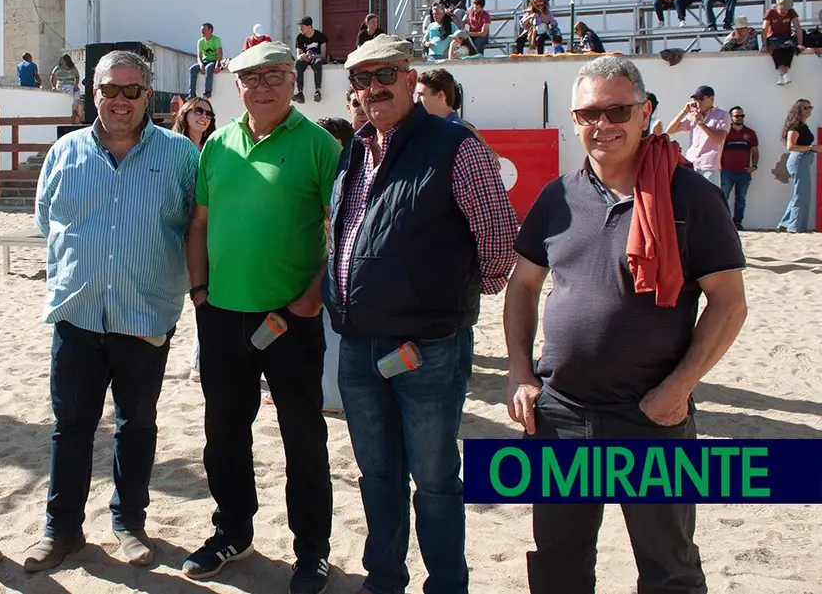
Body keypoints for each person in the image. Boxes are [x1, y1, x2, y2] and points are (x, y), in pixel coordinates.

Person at [504, 55, 747, 594]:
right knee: (558, 563)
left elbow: (729, 304)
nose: (602, 124)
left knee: (669, 567)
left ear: (646, 113)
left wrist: (678, 387)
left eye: (617, 110)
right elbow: (522, 286)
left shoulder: (693, 198)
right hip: (562, 414)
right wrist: (521, 371)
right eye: (589, 113)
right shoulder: (557, 197)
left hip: (651, 415)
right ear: (573, 120)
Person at [330, 35, 517, 594]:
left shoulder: (455, 145)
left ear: (411, 80)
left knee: (434, 480)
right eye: (361, 80)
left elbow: (499, 238)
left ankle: (446, 585)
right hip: (358, 344)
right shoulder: (357, 147)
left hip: (427, 349)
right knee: (377, 476)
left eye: (384, 75)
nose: (372, 88)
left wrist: (449, 302)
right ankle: (383, 578)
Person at [27, 50, 199, 572]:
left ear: (149, 95)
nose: (120, 101)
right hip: (77, 318)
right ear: (91, 94)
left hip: (145, 319)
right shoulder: (64, 153)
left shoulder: (180, 155)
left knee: (136, 425)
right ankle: (63, 529)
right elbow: (46, 222)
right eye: (110, 90)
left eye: (132, 91)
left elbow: (197, 227)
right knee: (71, 427)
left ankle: (128, 521)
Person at [183, 41, 339, 594]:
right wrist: (200, 292)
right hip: (222, 314)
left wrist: (310, 299)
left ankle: (312, 552)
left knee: (302, 436)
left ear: (294, 80)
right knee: (224, 433)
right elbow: (199, 225)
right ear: (238, 85)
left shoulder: (320, 145)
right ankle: (233, 531)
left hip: (291, 319)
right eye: (253, 78)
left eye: (276, 75)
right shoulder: (217, 144)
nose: (265, 86)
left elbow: (341, 229)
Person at [171, 95, 217, 384]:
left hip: (206, 232)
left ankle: (200, 360)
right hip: (179, 232)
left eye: (209, 113)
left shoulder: (214, 149)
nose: (203, 116)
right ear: (185, 114)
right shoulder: (174, 148)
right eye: (198, 110)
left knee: (206, 296)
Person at [665, 85, 730, 187]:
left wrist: (700, 123)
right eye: (695, 99)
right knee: (690, 200)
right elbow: (670, 130)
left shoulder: (722, 115)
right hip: (691, 164)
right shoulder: (693, 115)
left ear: (711, 98)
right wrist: (684, 112)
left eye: (701, 98)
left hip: (709, 167)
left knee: (710, 201)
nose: (698, 102)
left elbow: (719, 139)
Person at [777, 99, 817, 233]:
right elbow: (791, 146)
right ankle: (795, 227)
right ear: (798, 109)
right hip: (799, 159)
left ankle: (785, 223)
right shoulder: (795, 127)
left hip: (803, 160)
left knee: (799, 193)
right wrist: (813, 147)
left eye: (810, 107)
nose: (808, 110)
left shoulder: (803, 126)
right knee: (801, 194)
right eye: (805, 108)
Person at [720, 106, 758, 230]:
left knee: (741, 200)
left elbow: (755, 151)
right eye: (737, 116)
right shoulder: (725, 132)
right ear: (731, 118)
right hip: (726, 171)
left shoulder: (750, 133)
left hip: (743, 172)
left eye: (742, 115)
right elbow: (718, 149)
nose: (740, 118)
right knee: (723, 198)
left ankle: (737, 223)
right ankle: (724, 223)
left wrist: (754, 166)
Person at [763, 0, 803, 85]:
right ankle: (784, 74)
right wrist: (764, 45)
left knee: (790, 48)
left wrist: (800, 43)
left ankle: (783, 75)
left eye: (786, 9)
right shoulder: (770, 13)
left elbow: (798, 28)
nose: (784, 11)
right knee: (776, 50)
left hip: (786, 38)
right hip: (773, 38)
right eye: (782, 9)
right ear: (777, 6)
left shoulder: (791, 12)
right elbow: (764, 30)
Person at [294, 16, 328, 103]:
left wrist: (313, 56)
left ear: (309, 27)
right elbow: (298, 54)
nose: (300, 29)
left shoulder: (320, 36)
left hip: (316, 57)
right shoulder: (299, 37)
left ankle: (318, 91)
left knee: (317, 63)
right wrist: (302, 56)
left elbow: (323, 55)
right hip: (306, 58)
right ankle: (300, 92)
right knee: (298, 64)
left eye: (302, 26)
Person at [189, 22, 224, 99]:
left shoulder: (216, 39)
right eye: (201, 30)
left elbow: (219, 54)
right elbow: (199, 56)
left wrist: (217, 65)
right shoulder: (200, 41)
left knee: (208, 68)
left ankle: (208, 92)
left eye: (204, 30)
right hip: (205, 61)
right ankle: (192, 93)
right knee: (192, 69)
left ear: (210, 30)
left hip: (213, 61)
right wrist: (201, 64)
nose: (202, 32)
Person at [49, 54, 82, 121]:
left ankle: (74, 110)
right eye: (61, 60)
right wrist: (53, 86)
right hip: (62, 84)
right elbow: (52, 77)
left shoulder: (73, 67)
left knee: (77, 94)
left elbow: (77, 77)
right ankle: (67, 110)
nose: (62, 61)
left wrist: (76, 85)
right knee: (68, 92)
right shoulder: (58, 68)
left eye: (63, 60)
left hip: (72, 85)